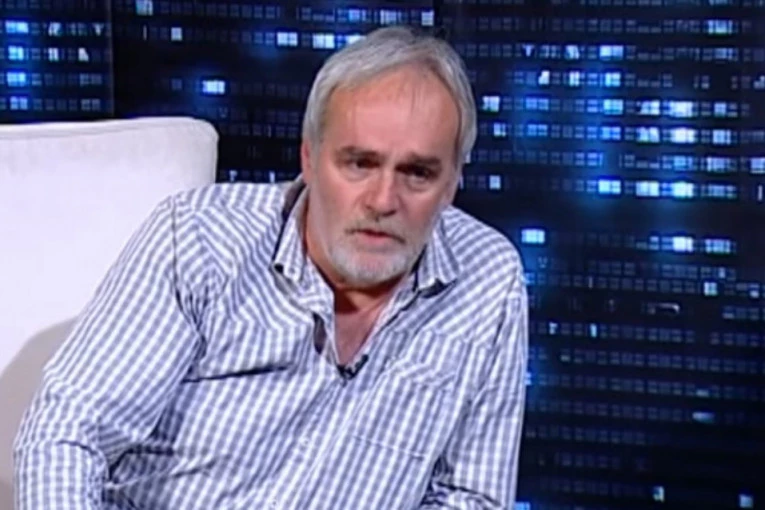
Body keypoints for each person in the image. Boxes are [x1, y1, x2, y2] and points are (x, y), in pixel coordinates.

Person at [14, 25, 528, 509]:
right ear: (309, 158)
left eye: (417, 173)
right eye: (359, 163)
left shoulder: (488, 284)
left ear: (453, 183)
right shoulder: (199, 240)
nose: (382, 200)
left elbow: (469, 496)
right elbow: (67, 437)